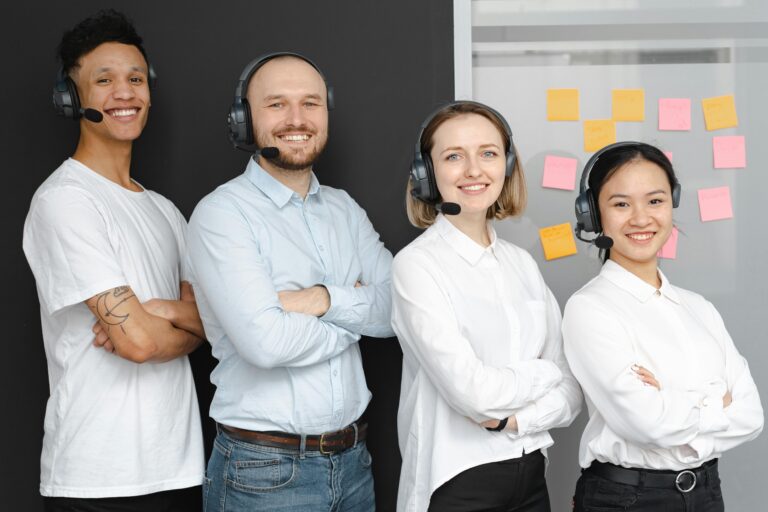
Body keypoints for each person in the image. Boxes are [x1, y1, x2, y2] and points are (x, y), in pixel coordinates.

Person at [186, 52, 394, 512]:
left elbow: (397, 310)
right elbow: (267, 344)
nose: (296, 119)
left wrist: (319, 299)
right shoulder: (222, 215)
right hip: (264, 473)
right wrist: (355, 308)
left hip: (355, 464)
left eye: (311, 103)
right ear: (243, 119)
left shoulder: (345, 209)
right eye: (276, 104)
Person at [22, 9, 205, 512]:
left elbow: (211, 322)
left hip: (181, 471)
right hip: (95, 482)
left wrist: (160, 313)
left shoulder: (166, 211)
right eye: (103, 81)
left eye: (135, 79)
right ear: (71, 98)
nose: (124, 93)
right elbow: (139, 342)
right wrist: (164, 322)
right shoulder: (64, 200)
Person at [391, 101, 582, 512]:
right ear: (427, 174)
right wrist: (542, 373)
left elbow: (571, 391)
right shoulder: (417, 265)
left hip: (530, 475)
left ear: (507, 166)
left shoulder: (522, 264)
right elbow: (473, 394)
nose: (474, 170)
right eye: (454, 156)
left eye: (488, 153)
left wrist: (512, 421)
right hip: (458, 481)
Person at [563, 141, 764, 511]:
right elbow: (646, 425)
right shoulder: (590, 309)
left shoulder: (699, 309)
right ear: (593, 215)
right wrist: (714, 403)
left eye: (655, 201)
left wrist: (669, 397)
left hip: (706, 493)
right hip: (626, 499)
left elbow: (751, 416)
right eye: (621, 204)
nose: (641, 218)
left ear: (671, 205)